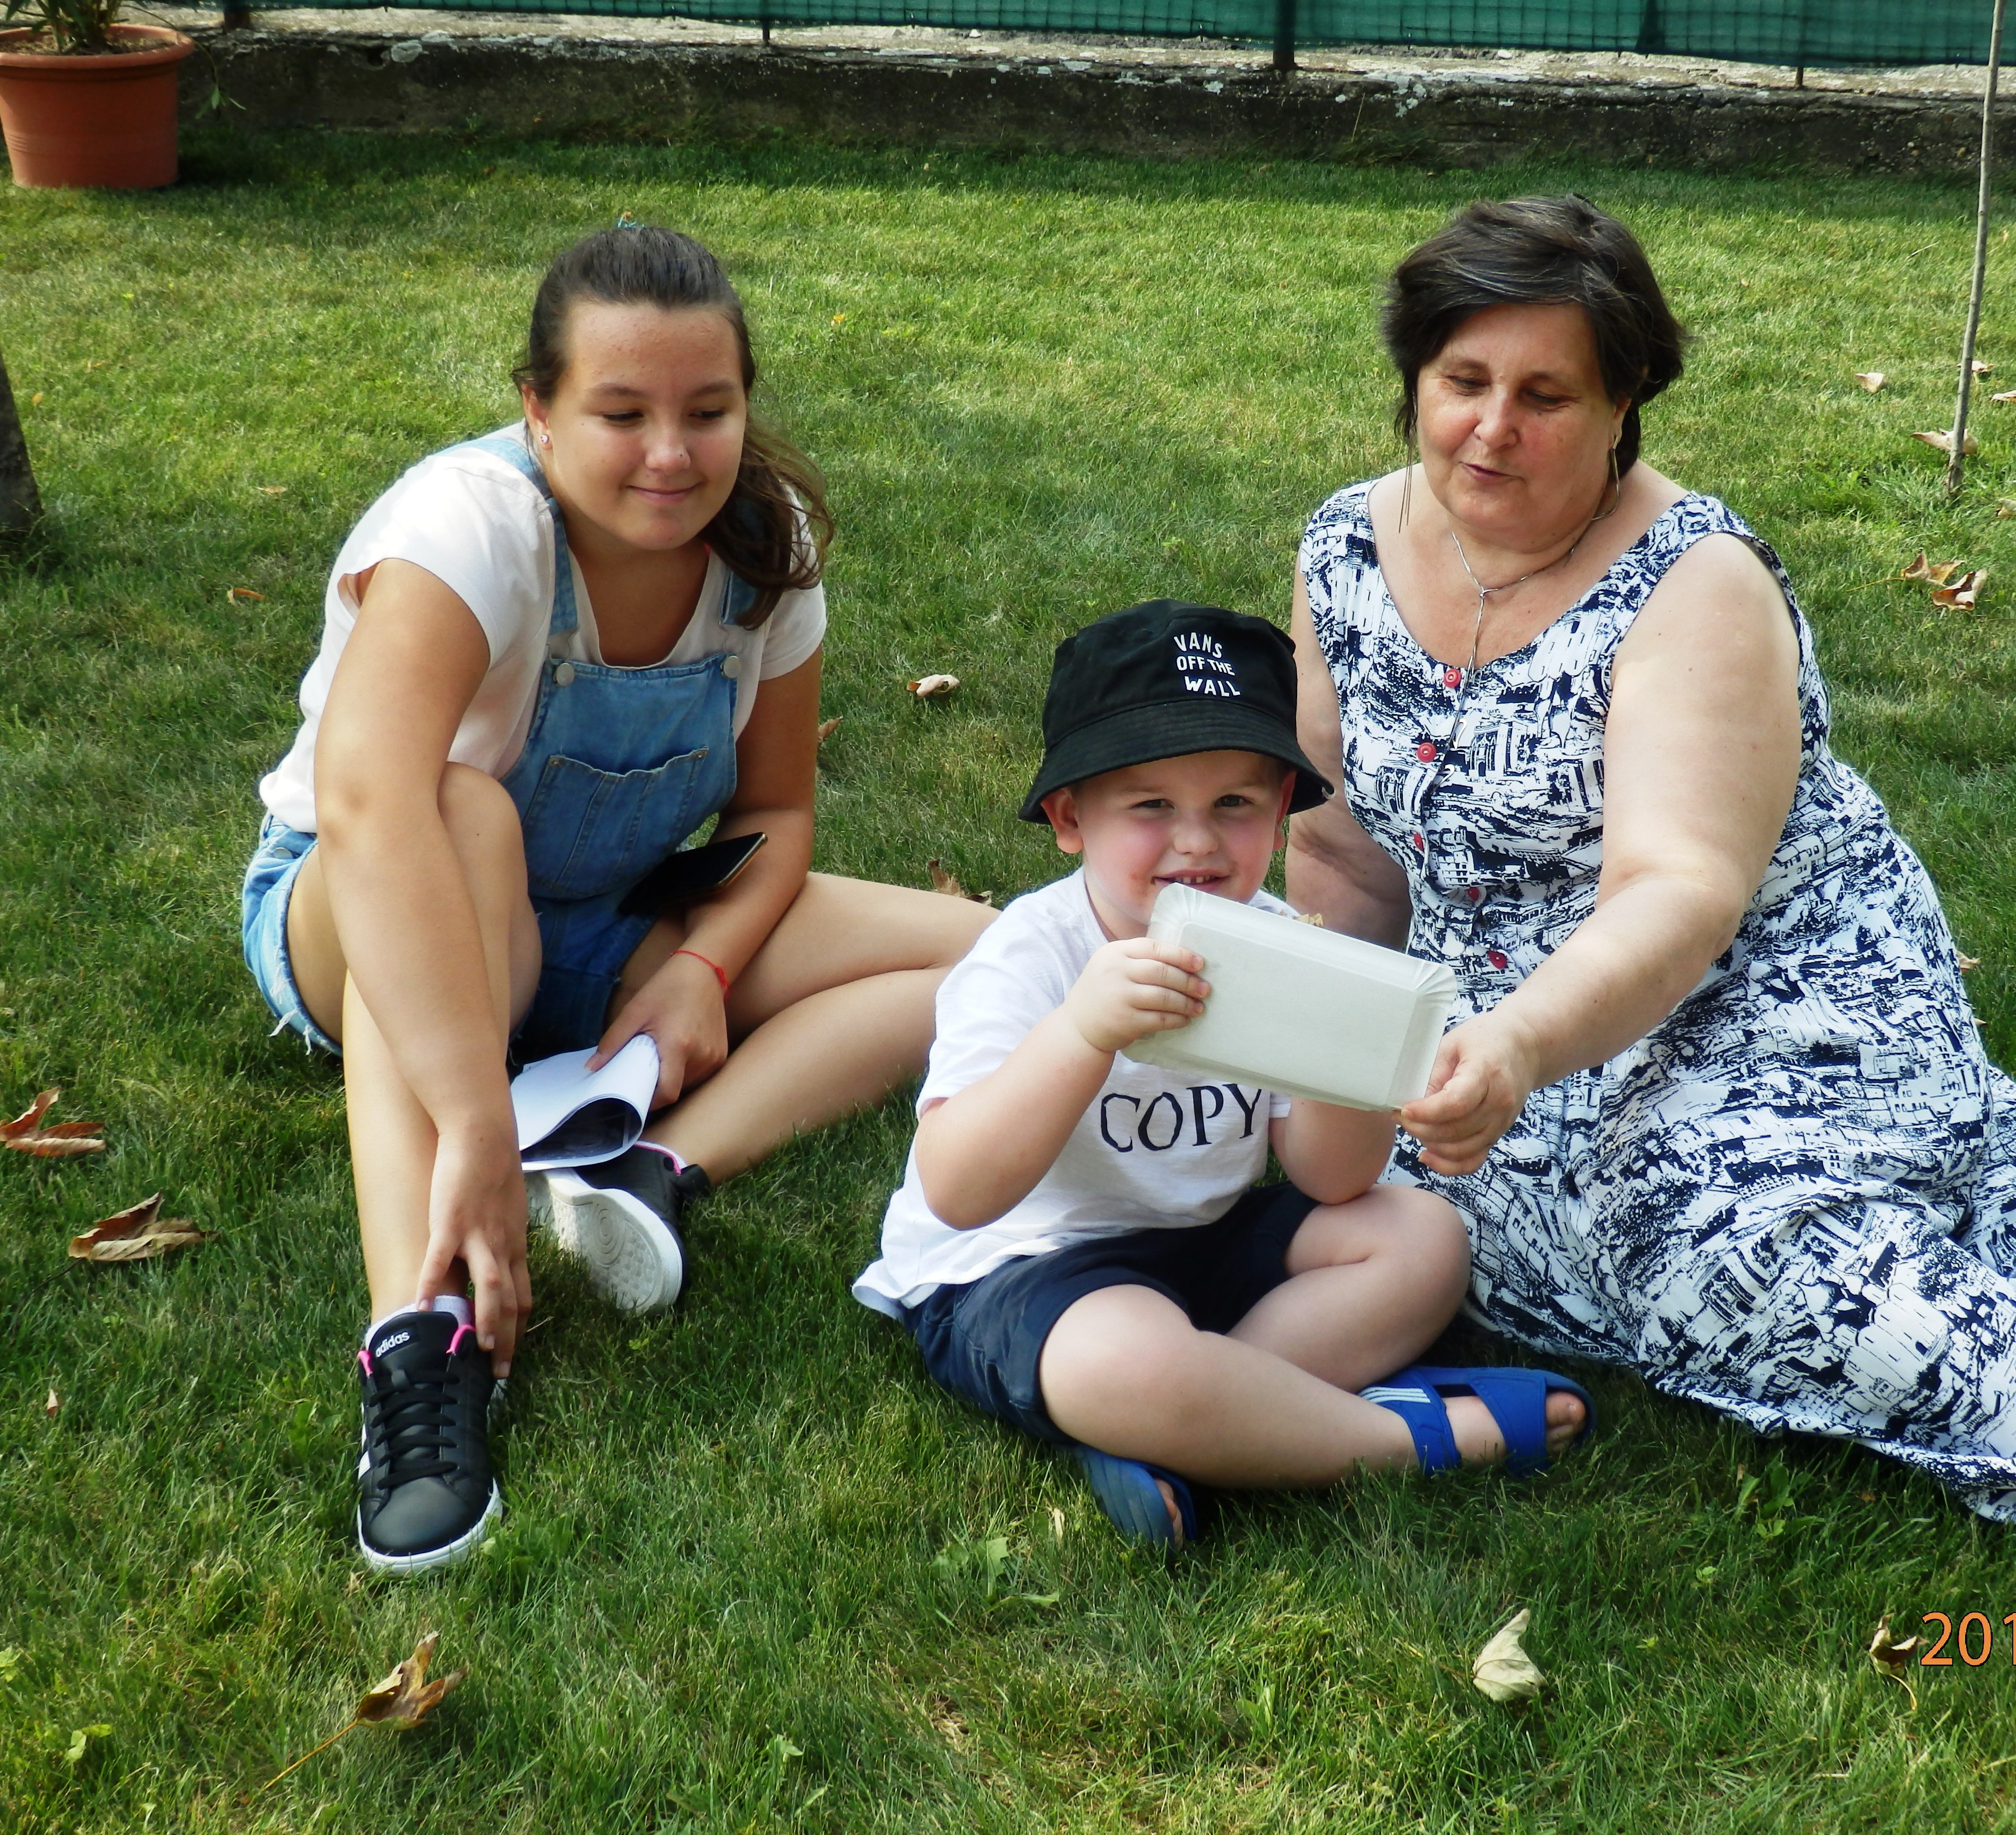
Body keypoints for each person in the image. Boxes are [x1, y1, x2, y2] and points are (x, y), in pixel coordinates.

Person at [1285, 196, 2016, 1670]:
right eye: (1464, 382)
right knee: (1368, 1204)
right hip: (1494, 1021)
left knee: (1711, 1246)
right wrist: (1322, 1048)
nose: (1491, 430)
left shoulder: (1696, 583)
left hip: (1770, 991)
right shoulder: (1345, 546)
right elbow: (1338, 848)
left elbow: (1678, 892)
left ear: (1626, 403)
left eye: (1546, 395)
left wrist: (1508, 1053)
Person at [241, 224, 995, 1572]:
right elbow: (368, 809)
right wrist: (475, 1119)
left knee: (986, 959)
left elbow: (773, 816)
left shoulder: (765, 546)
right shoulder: (468, 526)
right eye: (622, 412)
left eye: (708, 411)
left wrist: (703, 968)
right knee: (460, 807)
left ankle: (647, 1171)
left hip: (595, 923)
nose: (671, 454)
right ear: (537, 410)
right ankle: (422, 1344)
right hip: (362, 918)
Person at [852, 600, 1590, 1547]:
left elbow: (1333, 1180)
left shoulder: (1275, 947)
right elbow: (959, 1192)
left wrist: (1342, 1059)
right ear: (1071, 818)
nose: (1197, 841)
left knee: (1424, 1239)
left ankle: (1201, 1423)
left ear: (1279, 813)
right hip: (1022, 1266)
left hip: (1201, 1243)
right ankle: (1402, 1439)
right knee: (1122, 1363)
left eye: (1233, 805)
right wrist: (1081, 1033)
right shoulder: (1029, 956)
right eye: (1151, 806)